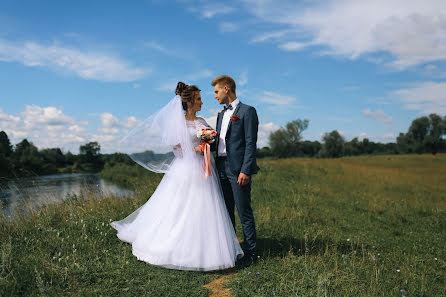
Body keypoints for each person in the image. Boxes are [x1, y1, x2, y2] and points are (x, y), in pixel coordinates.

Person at [111, 82, 243, 271]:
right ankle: (179, 246)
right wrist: (198, 148)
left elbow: (211, 141)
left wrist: (208, 142)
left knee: (207, 205)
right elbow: (177, 150)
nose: (202, 102)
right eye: (198, 99)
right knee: (182, 206)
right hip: (186, 168)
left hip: (205, 168)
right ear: (189, 103)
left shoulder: (202, 121)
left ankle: (208, 246)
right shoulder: (178, 123)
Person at [211, 75, 260, 268]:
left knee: (243, 211)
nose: (215, 96)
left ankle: (251, 253)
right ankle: (231, 250)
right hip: (220, 167)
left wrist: (245, 170)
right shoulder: (221, 115)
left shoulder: (248, 111)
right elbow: (218, 143)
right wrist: (202, 140)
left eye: (216, 91)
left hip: (238, 170)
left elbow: (250, 144)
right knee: (226, 212)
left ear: (226, 89)